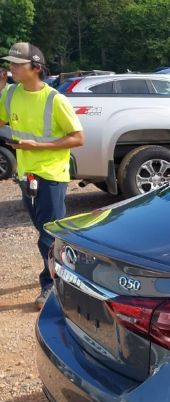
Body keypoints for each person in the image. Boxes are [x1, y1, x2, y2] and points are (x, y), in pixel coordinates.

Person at [0, 43, 84, 308]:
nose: (11, 68)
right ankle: (75, 261)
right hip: (27, 175)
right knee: (46, 230)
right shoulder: (10, 94)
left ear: (35, 67)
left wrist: (40, 147)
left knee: (47, 234)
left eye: (17, 64)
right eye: (10, 63)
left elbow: (78, 137)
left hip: (52, 175)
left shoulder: (55, 99)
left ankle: (50, 287)